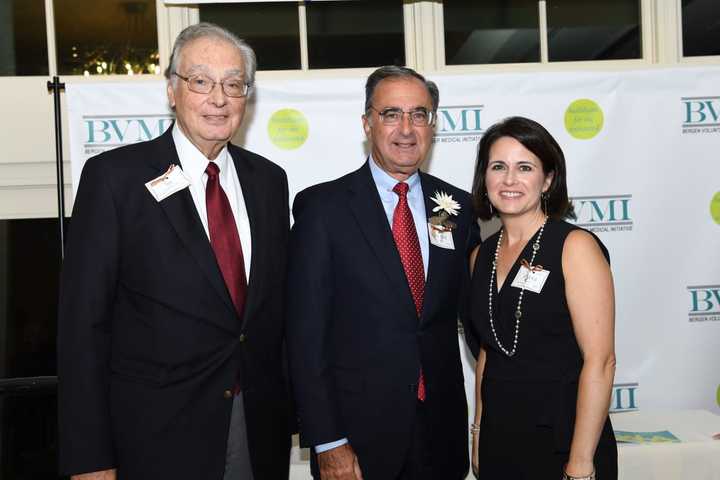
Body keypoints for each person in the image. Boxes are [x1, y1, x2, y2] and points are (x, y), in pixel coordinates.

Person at [57, 23, 293, 480]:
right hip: (152, 437)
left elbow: (270, 312)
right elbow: (82, 328)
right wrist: (90, 457)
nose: (218, 98)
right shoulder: (114, 179)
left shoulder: (269, 181)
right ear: (171, 90)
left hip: (256, 430)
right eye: (201, 81)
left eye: (233, 84)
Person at [286, 65, 480, 480]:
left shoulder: (458, 210)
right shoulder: (323, 209)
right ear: (367, 123)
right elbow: (305, 338)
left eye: (419, 114)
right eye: (391, 114)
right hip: (357, 441)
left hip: (441, 438)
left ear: (432, 125)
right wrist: (328, 441)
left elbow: (473, 319)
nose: (406, 129)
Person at [468, 116, 618, 479]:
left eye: (525, 167)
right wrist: (477, 434)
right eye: (498, 166)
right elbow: (488, 352)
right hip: (500, 441)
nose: (509, 180)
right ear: (484, 177)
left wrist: (581, 463)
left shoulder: (574, 247)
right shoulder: (480, 256)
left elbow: (600, 361)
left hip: (564, 440)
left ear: (548, 179)